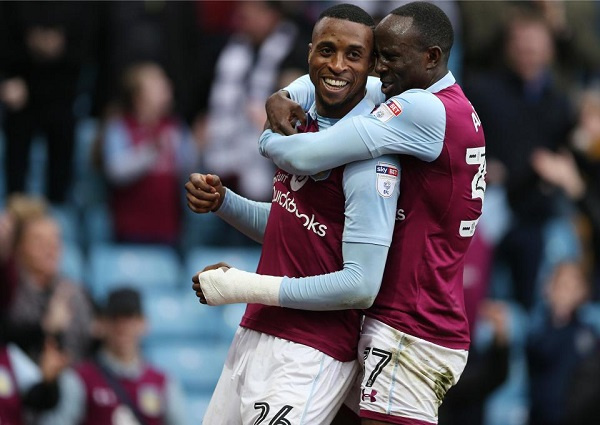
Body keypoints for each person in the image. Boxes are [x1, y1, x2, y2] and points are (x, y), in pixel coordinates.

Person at [194, 2, 485, 424]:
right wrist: (284, 97)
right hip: (381, 322)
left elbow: (307, 158)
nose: (379, 71)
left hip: (409, 328)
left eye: (385, 58)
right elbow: (295, 226)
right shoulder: (429, 103)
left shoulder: (414, 116)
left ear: (432, 58)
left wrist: (266, 132)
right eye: (376, 57)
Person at [186, 4, 400, 424]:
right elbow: (293, 227)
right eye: (327, 50)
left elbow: (361, 286)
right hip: (254, 334)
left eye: (353, 54)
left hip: (308, 352)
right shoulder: (299, 124)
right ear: (308, 54)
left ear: (372, 65)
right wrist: (225, 202)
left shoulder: (369, 159)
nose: (337, 65)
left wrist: (246, 285)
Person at [38, 287, 187, 425]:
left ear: (143, 324)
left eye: (130, 318)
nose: (122, 327)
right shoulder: (80, 379)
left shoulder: (163, 383)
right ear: (101, 324)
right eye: (115, 319)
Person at [98, 62, 200, 245]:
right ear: (138, 96)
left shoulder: (174, 128)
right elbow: (115, 170)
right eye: (157, 84)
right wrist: (150, 152)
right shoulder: (121, 127)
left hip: (169, 227)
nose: (166, 88)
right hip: (130, 227)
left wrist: (196, 146)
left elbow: (188, 169)